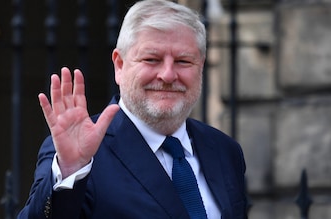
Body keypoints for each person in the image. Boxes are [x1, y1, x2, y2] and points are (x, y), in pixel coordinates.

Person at [18, 0, 247, 218]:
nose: (167, 75)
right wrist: (71, 172)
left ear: (201, 67)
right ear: (119, 65)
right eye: (151, 59)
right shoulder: (82, 154)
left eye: (183, 61)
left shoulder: (225, 151)